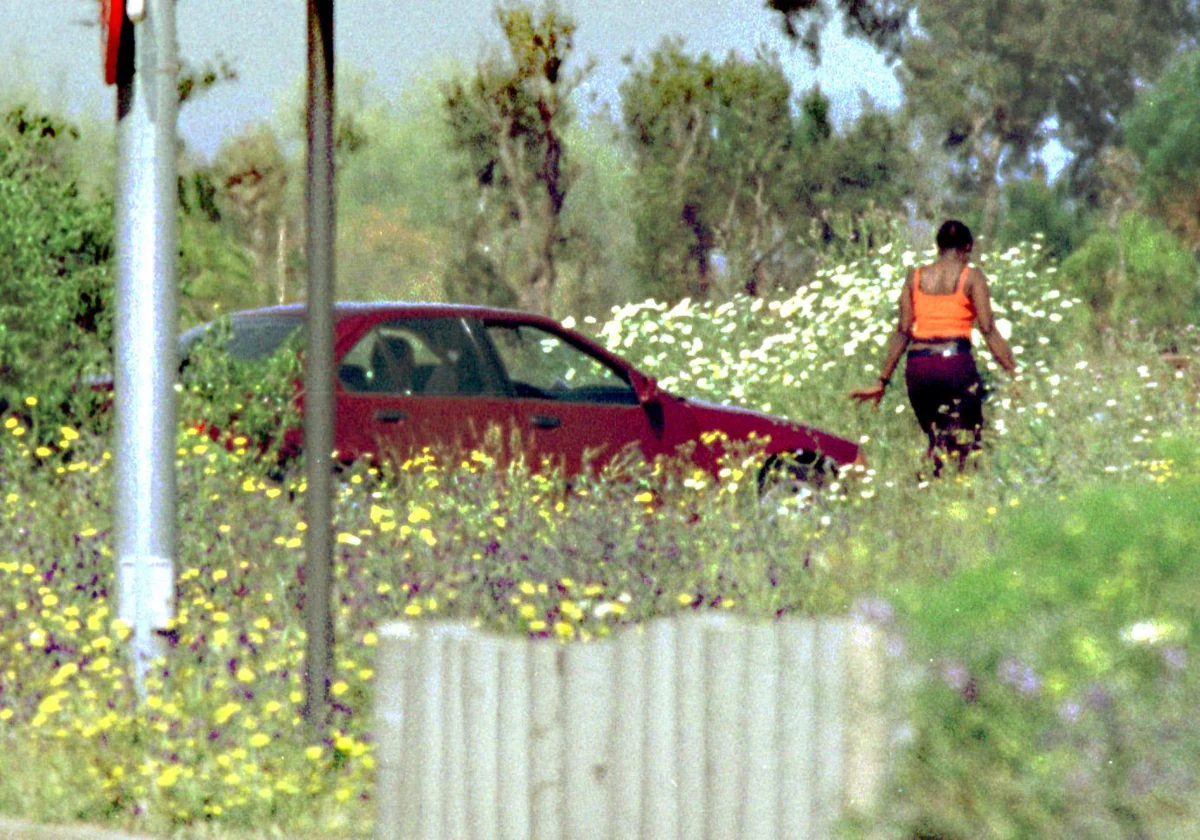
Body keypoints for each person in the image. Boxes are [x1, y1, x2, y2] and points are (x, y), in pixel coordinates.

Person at [849, 220, 1019, 477]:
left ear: (938, 247)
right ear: (968, 247)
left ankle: (926, 490)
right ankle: (956, 494)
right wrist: (1014, 373)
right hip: (955, 364)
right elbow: (988, 329)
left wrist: (882, 381)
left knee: (937, 438)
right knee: (967, 438)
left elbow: (903, 330)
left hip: (919, 365)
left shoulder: (915, 277)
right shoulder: (971, 277)